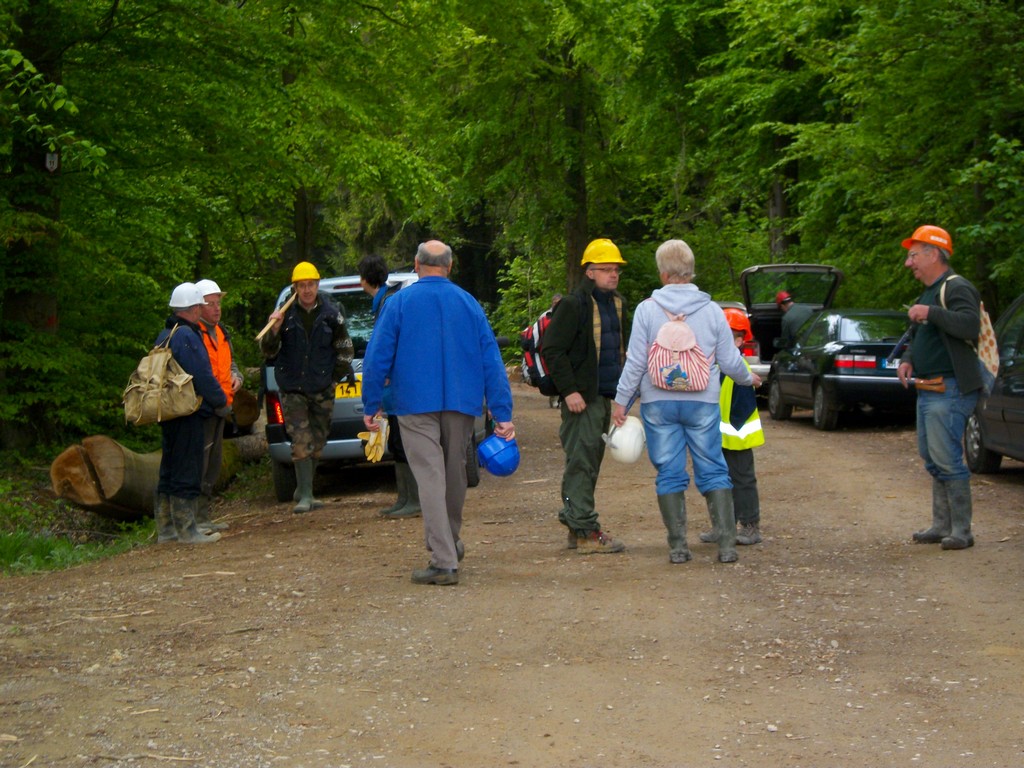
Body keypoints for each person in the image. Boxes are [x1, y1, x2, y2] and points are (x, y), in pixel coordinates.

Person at [361, 240, 514, 586]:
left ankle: (444, 560)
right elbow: (491, 359)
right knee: (455, 473)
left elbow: (377, 356)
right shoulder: (469, 303)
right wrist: (502, 412)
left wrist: (372, 403)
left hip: (414, 403)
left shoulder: (398, 303)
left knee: (430, 476)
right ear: (450, 266)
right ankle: (449, 541)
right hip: (461, 401)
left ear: (416, 264)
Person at [612, 240, 760, 564]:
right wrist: (747, 378)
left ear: (663, 274)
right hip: (702, 401)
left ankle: (678, 547)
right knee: (714, 468)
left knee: (669, 472)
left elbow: (636, 362)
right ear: (691, 273)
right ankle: (726, 545)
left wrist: (621, 402)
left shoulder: (647, 309)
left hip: (658, 402)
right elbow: (729, 359)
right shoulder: (712, 311)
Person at [896, 224, 983, 550]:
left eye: (913, 256)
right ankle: (941, 525)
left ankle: (961, 531)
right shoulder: (929, 292)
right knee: (931, 457)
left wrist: (930, 312)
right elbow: (921, 335)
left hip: (951, 387)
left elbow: (970, 325)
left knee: (946, 458)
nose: (909, 263)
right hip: (930, 387)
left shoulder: (956, 287)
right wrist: (908, 358)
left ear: (933, 254)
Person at [543, 238, 629, 554]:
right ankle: (584, 531)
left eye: (616, 269)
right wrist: (569, 391)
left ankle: (576, 522)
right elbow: (552, 349)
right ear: (590, 272)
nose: (613, 274)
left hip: (603, 396)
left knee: (588, 462)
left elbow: (619, 351)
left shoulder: (617, 304)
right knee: (581, 462)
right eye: (606, 269)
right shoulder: (573, 305)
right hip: (581, 400)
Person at [260, 261, 355, 514]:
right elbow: (268, 351)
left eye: (311, 284)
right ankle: (306, 496)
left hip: (322, 388)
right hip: (292, 389)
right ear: (295, 288)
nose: (307, 290)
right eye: (302, 285)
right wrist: (274, 330)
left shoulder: (332, 314)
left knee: (318, 440)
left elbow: (345, 350)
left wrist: (333, 379)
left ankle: (304, 489)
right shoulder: (284, 315)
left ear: (317, 284)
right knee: (301, 439)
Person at [154, 283, 230, 544]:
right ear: (194, 307)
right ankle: (187, 530)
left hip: (168, 411)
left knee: (169, 468)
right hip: (187, 412)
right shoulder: (187, 335)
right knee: (187, 468)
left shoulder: (166, 333)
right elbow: (202, 375)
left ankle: (167, 530)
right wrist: (220, 401)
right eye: (200, 305)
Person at [357, 254, 421, 519]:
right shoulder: (387, 299)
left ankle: (413, 500)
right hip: (395, 387)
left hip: (398, 387)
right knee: (396, 443)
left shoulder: (387, 302)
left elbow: (388, 346)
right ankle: (404, 498)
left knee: (403, 443)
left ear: (364, 280)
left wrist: (385, 374)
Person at [698, 307, 765, 546]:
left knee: (742, 480)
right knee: (717, 480)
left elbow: (741, 410)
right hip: (718, 436)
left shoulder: (738, 368)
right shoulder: (714, 365)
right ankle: (723, 525)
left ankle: (749, 525)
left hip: (736, 437)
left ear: (739, 341)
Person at [194, 278, 244, 533]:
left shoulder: (222, 331)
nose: (217, 309)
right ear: (198, 307)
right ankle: (194, 520)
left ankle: (203, 516)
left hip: (222, 407)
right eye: (211, 304)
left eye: (218, 303)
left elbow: (231, 363)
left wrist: (238, 377)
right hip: (201, 410)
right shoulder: (193, 334)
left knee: (212, 465)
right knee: (200, 464)